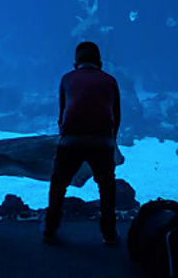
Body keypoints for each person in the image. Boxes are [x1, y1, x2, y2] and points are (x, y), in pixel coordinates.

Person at [42, 41, 121, 245]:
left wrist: (64, 135)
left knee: (59, 183)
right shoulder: (110, 80)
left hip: (71, 140)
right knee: (106, 186)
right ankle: (109, 232)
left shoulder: (67, 78)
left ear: (75, 63)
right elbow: (116, 115)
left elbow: (62, 113)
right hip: (102, 141)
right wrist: (112, 141)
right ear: (100, 63)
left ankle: (50, 228)